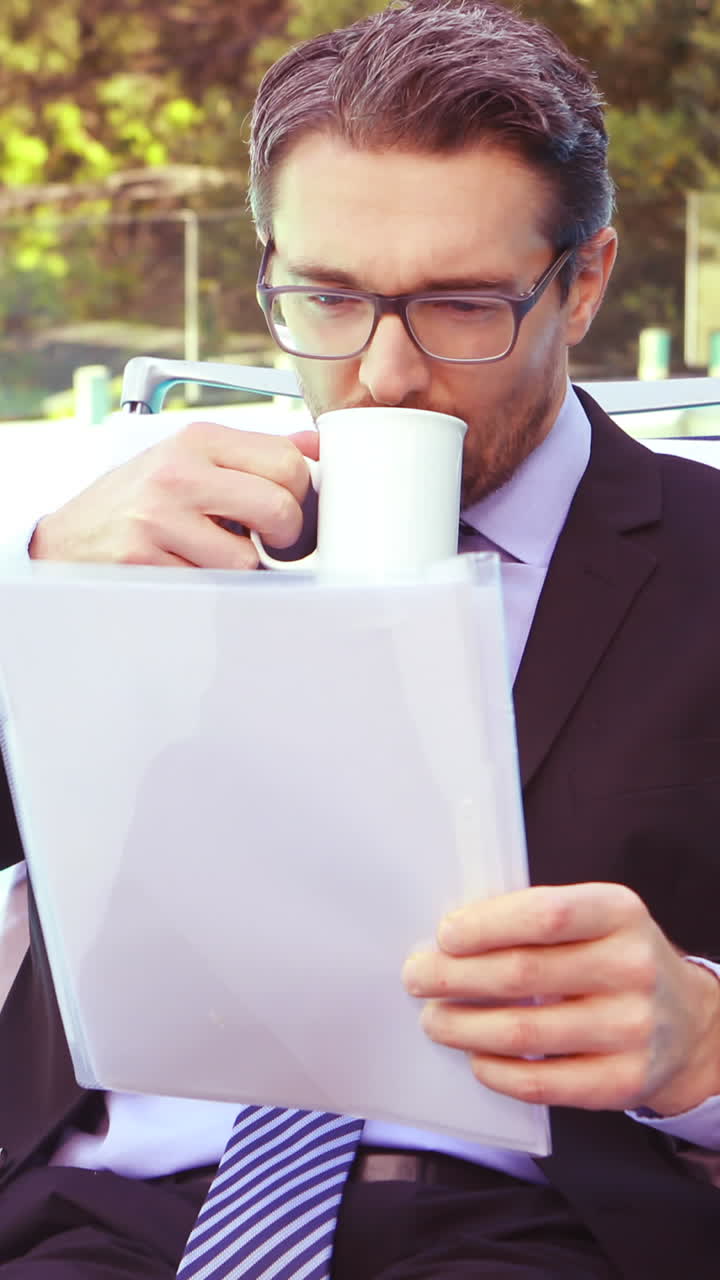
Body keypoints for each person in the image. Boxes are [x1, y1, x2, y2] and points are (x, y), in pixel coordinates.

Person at [1, 0, 720, 1275]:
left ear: (587, 279)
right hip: (87, 1211)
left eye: (459, 304)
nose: (382, 374)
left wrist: (706, 1042)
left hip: (541, 1226)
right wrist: (44, 598)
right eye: (327, 297)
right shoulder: (134, 535)